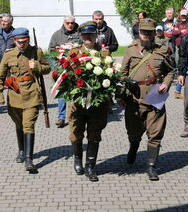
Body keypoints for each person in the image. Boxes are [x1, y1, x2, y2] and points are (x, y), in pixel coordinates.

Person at [117, 18, 174, 181]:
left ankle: (151, 167)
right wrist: (119, 95)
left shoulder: (162, 51)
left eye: (150, 32)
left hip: (156, 95)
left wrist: (166, 83)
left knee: (156, 133)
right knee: (133, 131)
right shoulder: (130, 51)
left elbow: (171, 71)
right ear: (139, 32)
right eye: (144, 32)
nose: (147, 35)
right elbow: (122, 76)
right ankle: (133, 146)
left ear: (154, 33)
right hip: (134, 98)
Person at [0, 28, 51, 171]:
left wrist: (37, 66)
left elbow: (48, 68)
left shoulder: (36, 52)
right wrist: (0, 96)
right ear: (14, 41)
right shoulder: (9, 55)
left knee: (28, 125)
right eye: (19, 42)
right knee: (19, 124)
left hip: (32, 94)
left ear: (28, 39)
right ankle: (21, 151)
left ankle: (29, 158)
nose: (22, 44)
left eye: (25, 41)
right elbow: (0, 76)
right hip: (14, 95)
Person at [67, 21, 110, 182]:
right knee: (76, 133)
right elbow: (67, 74)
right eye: (85, 34)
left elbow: (109, 74)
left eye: (91, 34)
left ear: (96, 35)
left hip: (97, 104)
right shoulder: (73, 52)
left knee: (94, 134)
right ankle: (78, 160)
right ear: (80, 35)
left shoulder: (104, 53)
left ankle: (91, 166)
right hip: (78, 103)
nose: (88, 37)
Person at [48, 16, 80, 127]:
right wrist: (57, 66)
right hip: (62, 69)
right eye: (68, 23)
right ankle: (61, 117)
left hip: (76, 69)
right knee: (62, 93)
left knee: (77, 91)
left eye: (72, 23)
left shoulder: (79, 34)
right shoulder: (57, 35)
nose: (70, 25)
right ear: (64, 23)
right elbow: (51, 51)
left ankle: (77, 115)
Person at [172, 9, 188, 99]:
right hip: (180, 49)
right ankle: (178, 91)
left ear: (187, 16)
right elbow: (174, 32)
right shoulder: (178, 23)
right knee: (183, 68)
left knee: (186, 69)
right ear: (180, 16)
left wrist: (180, 32)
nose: (183, 17)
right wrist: (181, 31)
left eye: (184, 16)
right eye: (182, 16)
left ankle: (178, 90)